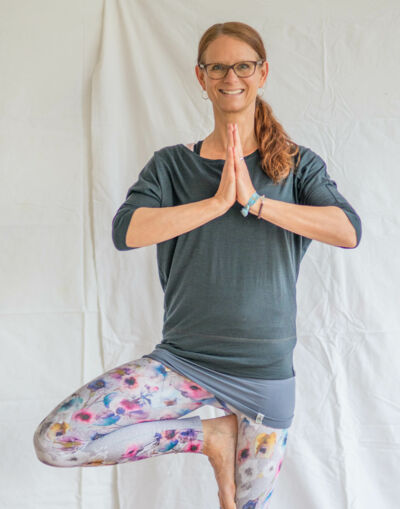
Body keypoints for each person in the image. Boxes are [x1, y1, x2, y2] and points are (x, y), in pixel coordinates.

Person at [33, 21, 362, 509]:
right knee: (57, 440)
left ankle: (219, 438)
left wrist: (255, 202)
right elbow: (127, 231)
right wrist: (216, 203)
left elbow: (347, 230)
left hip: (266, 379)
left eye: (243, 66)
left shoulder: (297, 164)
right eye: (218, 67)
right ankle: (210, 436)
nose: (231, 77)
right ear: (201, 76)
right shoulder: (171, 166)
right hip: (182, 363)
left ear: (262, 73)